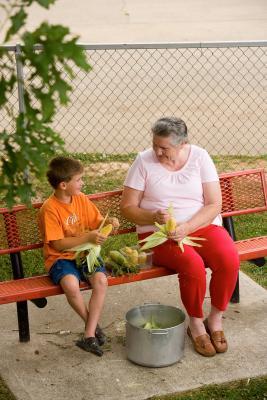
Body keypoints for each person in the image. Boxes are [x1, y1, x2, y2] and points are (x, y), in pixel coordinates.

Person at [120, 117, 240, 357]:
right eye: (155, 144)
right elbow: (127, 207)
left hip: (201, 225)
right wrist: (152, 216)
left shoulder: (200, 157)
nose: (157, 151)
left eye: (164, 147)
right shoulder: (143, 161)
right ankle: (195, 324)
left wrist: (188, 226)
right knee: (192, 265)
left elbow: (214, 203)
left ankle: (215, 320)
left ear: (182, 143)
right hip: (158, 234)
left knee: (229, 259)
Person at [38, 156, 119, 357]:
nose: (83, 183)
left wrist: (111, 223)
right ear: (64, 185)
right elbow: (57, 243)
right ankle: (93, 327)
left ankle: (89, 335)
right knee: (71, 285)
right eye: (79, 179)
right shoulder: (49, 209)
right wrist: (87, 237)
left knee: (100, 281)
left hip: (85, 253)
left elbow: (97, 221)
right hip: (60, 257)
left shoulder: (81, 199)